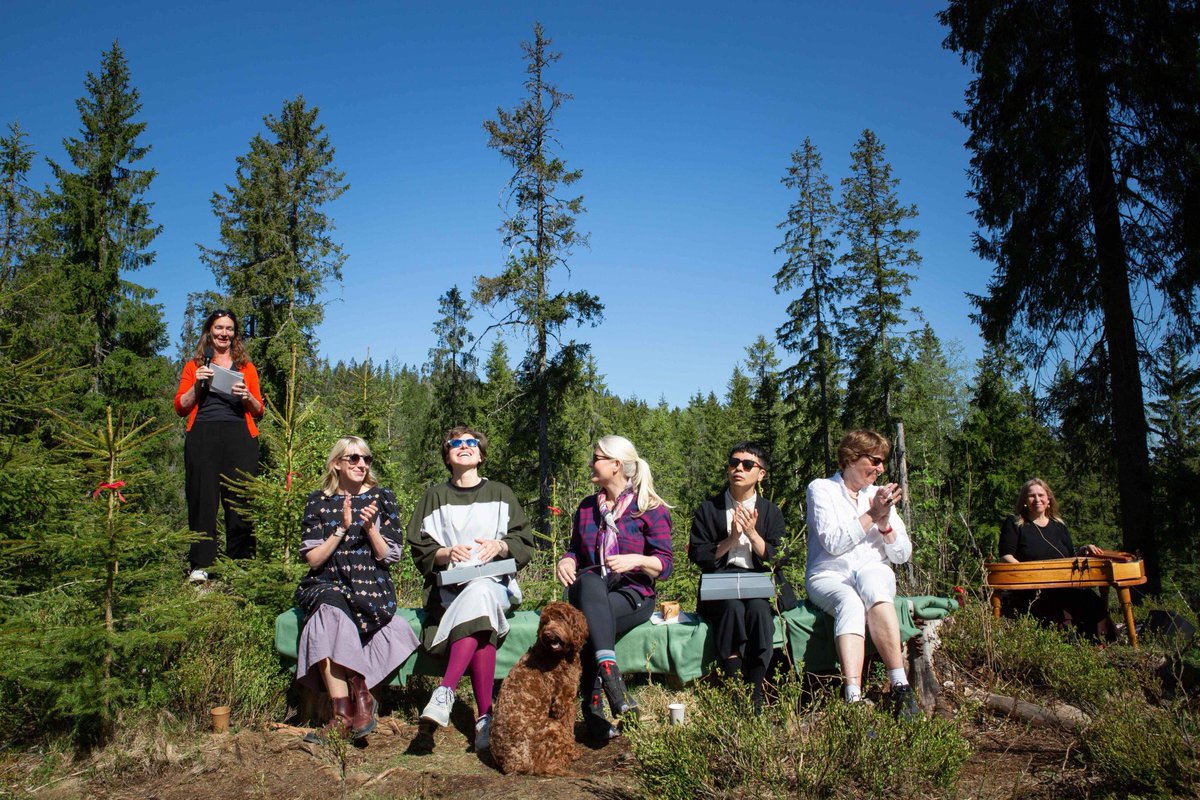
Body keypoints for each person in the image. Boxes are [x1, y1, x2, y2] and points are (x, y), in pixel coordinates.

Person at [406, 426, 534, 753]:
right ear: (447, 456)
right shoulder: (434, 497)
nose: (464, 447)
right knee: (479, 609)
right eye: (456, 443)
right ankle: (484, 719)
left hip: (498, 584)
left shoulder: (502, 493)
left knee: (481, 589)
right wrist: (446, 553)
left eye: (471, 442)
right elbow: (420, 547)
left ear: (481, 453)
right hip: (449, 591)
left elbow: (523, 543)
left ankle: (445, 690)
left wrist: (501, 546)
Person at [294, 436, 418, 741]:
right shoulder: (318, 501)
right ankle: (355, 700)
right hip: (327, 580)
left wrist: (370, 529)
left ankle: (345, 711)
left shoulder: (382, 498)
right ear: (337, 463)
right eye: (354, 458)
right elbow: (313, 559)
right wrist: (341, 528)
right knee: (327, 609)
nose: (362, 464)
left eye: (366, 459)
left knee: (327, 620)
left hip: (369, 583)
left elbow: (390, 556)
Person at [556, 435, 674, 740]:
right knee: (592, 581)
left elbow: (665, 565)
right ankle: (613, 681)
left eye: (597, 457)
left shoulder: (650, 508)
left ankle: (593, 708)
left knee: (591, 619)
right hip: (589, 589)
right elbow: (575, 551)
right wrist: (566, 561)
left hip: (632, 594)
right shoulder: (586, 508)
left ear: (616, 465)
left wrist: (637, 559)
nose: (591, 463)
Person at [805, 429, 919, 719]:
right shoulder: (821, 489)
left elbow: (902, 555)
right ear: (852, 458)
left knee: (872, 583)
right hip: (829, 575)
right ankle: (852, 697)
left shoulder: (878, 496)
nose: (881, 468)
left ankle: (900, 685)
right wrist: (872, 515)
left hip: (872, 571)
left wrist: (885, 525)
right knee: (851, 602)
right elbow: (832, 543)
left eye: (883, 462)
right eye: (876, 460)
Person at [689, 442, 786, 713]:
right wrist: (732, 538)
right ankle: (734, 687)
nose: (738, 469)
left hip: (757, 580)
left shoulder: (771, 512)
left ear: (761, 474)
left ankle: (755, 691)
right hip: (719, 580)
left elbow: (779, 557)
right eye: (734, 463)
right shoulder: (709, 509)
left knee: (758, 611)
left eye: (747, 465)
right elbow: (699, 554)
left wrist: (753, 534)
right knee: (731, 608)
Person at [173, 309, 264, 583]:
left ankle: (241, 565)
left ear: (235, 333)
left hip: (240, 437)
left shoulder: (246, 367)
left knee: (240, 501)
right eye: (218, 328)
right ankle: (201, 565)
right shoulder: (194, 365)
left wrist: (246, 395)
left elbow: (259, 410)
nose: (224, 333)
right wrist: (198, 384)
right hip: (203, 436)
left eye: (229, 328)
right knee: (203, 499)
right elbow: (180, 406)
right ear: (209, 331)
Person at [998, 478, 1115, 640]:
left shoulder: (1059, 525)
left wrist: (1084, 550)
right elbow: (1006, 556)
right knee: (1053, 606)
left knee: (1090, 599)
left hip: (1064, 585)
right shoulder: (1015, 523)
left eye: (1041, 495)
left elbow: (1069, 557)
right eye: (1031, 496)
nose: (1037, 499)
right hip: (1033, 588)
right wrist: (1028, 575)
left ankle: (1100, 643)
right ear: (1024, 500)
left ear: (1048, 500)